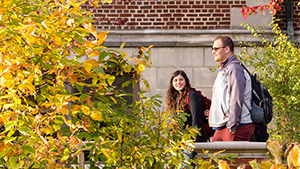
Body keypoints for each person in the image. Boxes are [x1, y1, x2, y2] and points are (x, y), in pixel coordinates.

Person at [209, 36, 255, 141]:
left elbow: (236, 98)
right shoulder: (225, 69)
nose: (213, 52)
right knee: (213, 156)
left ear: (227, 49)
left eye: (216, 49)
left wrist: (232, 124)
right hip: (223, 127)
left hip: (236, 126)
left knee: (231, 157)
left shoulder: (234, 69)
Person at [166, 70, 207, 168]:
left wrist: (192, 141)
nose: (178, 82)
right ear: (172, 84)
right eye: (175, 80)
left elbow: (195, 118)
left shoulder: (192, 95)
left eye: (181, 79)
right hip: (182, 141)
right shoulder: (177, 98)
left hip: (191, 141)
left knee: (184, 166)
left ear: (186, 81)